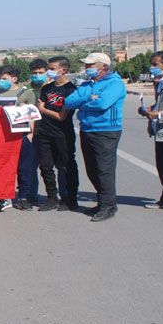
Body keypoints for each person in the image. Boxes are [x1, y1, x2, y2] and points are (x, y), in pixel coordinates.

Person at [64, 53, 126, 222]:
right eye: (86, 65)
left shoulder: (114, 84)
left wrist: (82, 106)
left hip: (106, 130)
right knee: (92, 169)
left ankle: (109, 205)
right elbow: (68, 102)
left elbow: (102, 103)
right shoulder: (87, 85)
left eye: (90, 65)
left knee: (104, 169)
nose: (87, 68)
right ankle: (102, 202)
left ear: (103, 66)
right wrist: (87, 98)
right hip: (87, 129)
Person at [0, 65, 36, 211]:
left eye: (4, 78)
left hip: (20, 136)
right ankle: (3, 198)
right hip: (0, 137)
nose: (0, 81)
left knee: (23, 169)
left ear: (14, 79)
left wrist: (30, 135)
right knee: (1, 169)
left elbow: (31, 116)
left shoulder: (26, 93)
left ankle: (23, 198)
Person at [35, 56, 79, 212]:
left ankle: (69, 199)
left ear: (64, 70)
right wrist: (43, 111)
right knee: (46, 167)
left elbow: (62, 116)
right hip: (45, 133)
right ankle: (51, 198)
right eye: (49, 68)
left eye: (52, 69)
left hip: (63, 134)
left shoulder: (71, 90)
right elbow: (41, 107)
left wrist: (44, 109)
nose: (49, 72)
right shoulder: (47, 88)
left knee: (66, 166)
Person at [139, 51, 163, 209]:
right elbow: (160, 105)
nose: (152, 68)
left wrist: (159, 114)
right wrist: (148, 109)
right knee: (162, 168)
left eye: (155, 64)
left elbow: (162, 111)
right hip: (161, 132)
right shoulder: (159, 83)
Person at [25, 59, 48, 205]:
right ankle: (31, 195)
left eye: (41, 72)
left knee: (49, 167)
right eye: (35, 73)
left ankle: (58, 196)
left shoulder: (52, 89)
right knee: (30, 167)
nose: (38, 75)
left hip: (50, 133)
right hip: (32, 133)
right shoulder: (25, 91)